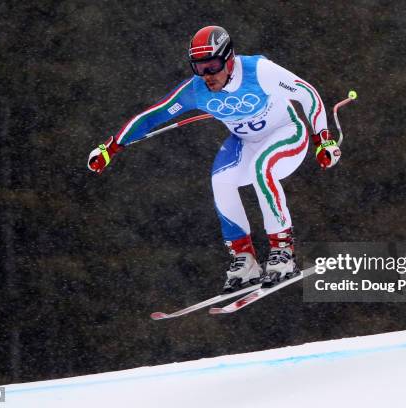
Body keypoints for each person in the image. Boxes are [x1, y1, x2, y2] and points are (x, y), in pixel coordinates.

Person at [88, 26, 341, 292]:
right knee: (220, 180)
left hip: (287, 133)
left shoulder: (259, 71)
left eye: (212, 66)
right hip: (246, 143)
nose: (207, 75)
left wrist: (322, 139)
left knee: (261, 170)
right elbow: (153, 115)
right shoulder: (196, 90)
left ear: (229, 59)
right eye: (199, 68)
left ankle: (283, 253)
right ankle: (245, 259)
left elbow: (307, 93)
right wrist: (110, 147)